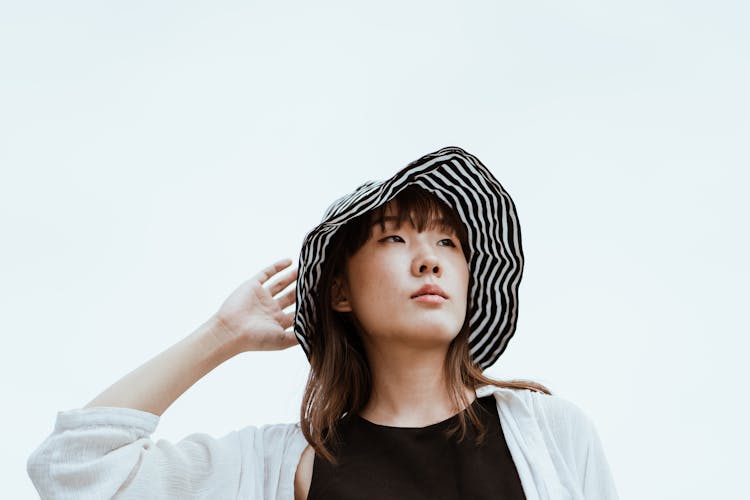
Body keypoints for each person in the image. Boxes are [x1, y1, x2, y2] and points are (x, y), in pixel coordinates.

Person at [27, 146, 620, 499]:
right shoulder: (288, 464)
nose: (429, 257)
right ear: (339, 290)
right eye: (394, 237)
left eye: (449, 241)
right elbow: (76, 467)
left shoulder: (547, 431)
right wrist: (221, 335)